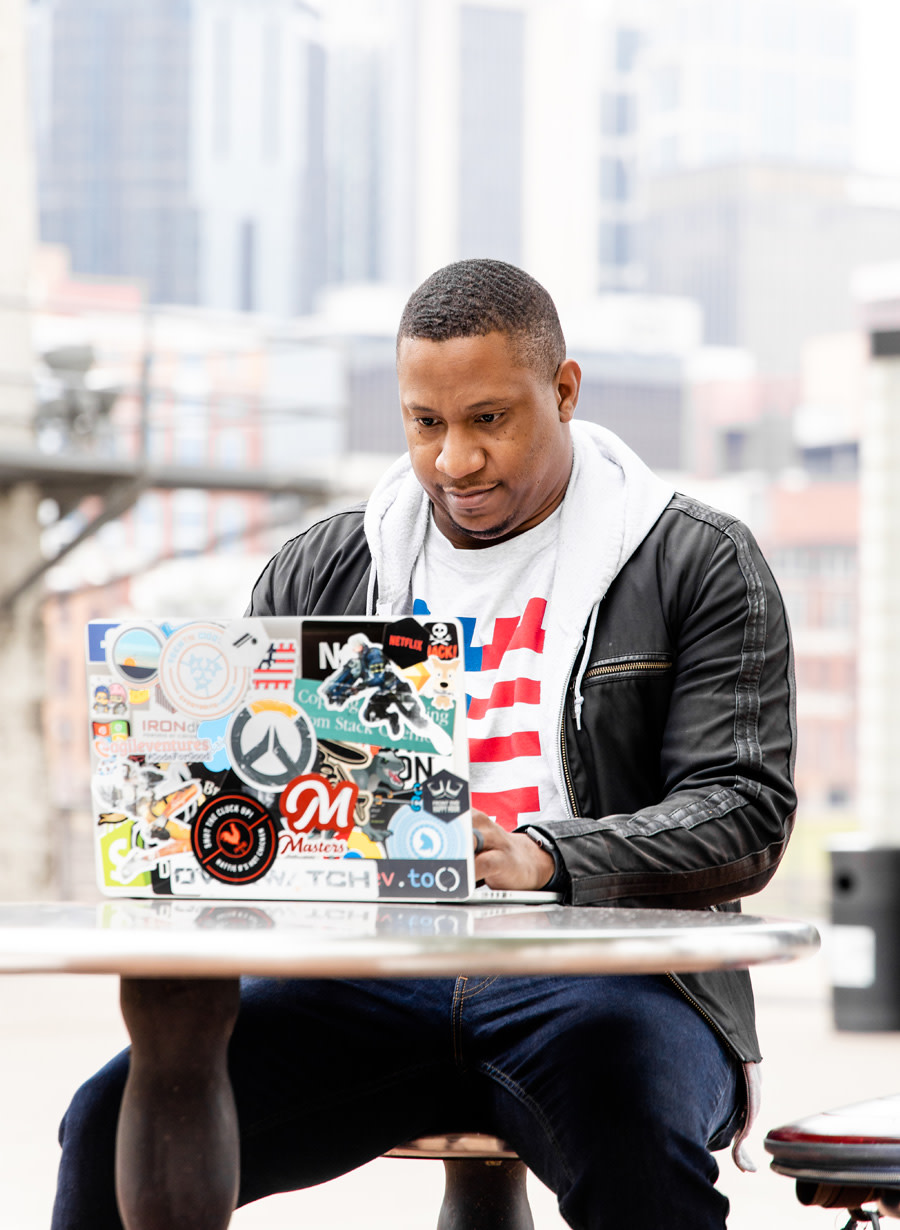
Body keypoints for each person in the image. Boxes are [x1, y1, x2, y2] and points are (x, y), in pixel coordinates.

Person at [52, 259, 796, 1230]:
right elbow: (239, 803)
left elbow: (744, 812)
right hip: (364, 987)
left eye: (489, 420)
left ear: (564, 390)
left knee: (635, 1135)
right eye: (425, 423)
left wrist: (543, 857)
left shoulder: (695, 561)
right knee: (110, 1127)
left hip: (606, 984)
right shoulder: (323, 567)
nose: (453, 461)